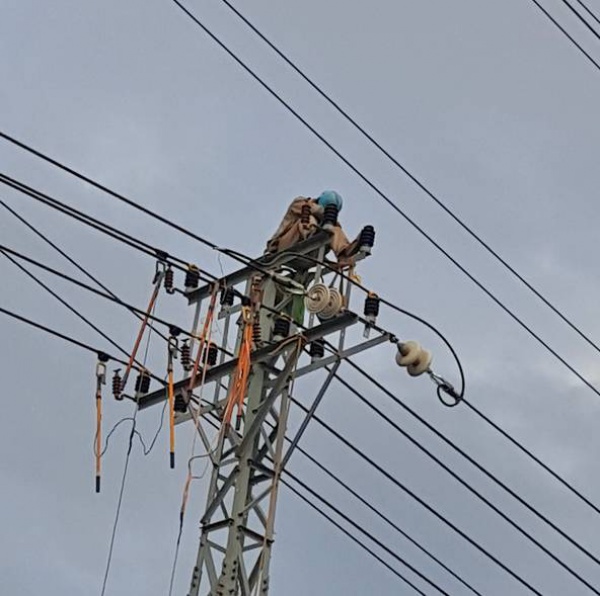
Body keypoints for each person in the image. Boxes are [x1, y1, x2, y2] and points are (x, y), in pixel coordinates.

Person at [264, 190, 359, 266]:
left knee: (335, 229)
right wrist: (326, 214)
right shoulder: (300, 202)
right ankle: (310, 237)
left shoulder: (328, 221)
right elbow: (312, 209)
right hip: (285, 247)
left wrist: (333, 226)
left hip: (310, 255)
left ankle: (343, 253)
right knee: (308, 218)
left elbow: (336, 228)